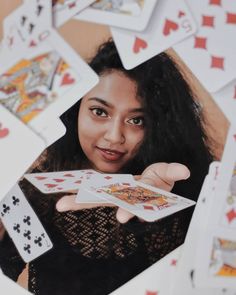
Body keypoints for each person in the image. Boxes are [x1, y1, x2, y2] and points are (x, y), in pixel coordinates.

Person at [0, 40, 214, 295]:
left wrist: (164, 212)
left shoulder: (188, 194)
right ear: (75, 110)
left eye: (136, 120)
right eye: (99, 112)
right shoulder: (29, 192)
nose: (114, 136)